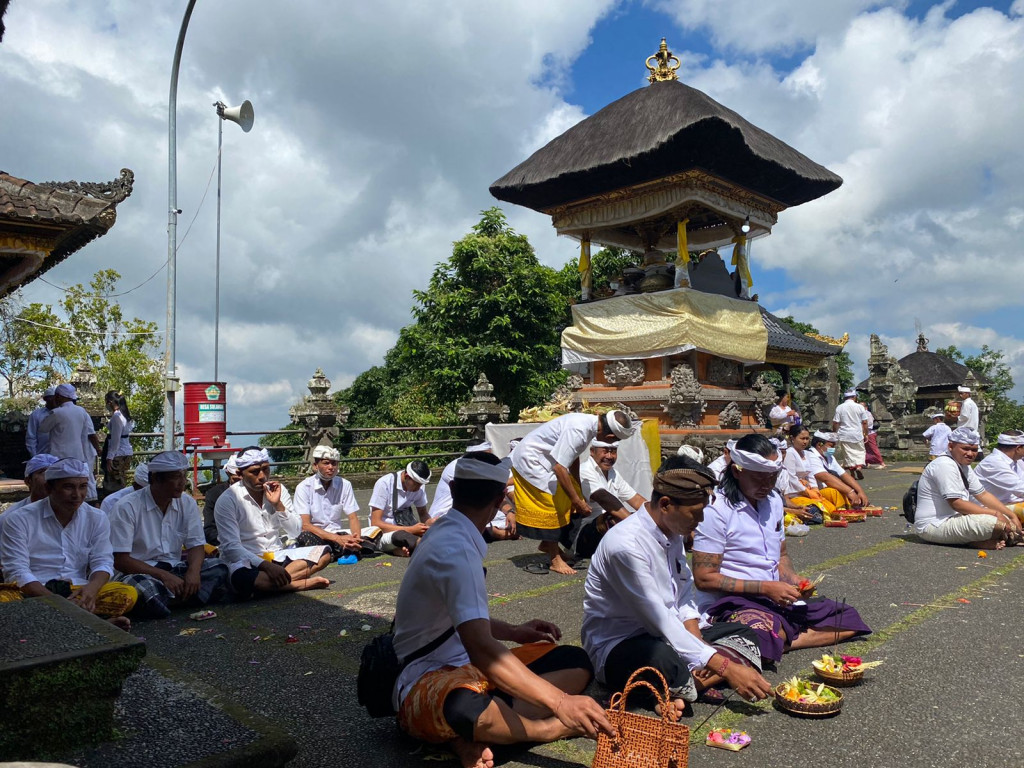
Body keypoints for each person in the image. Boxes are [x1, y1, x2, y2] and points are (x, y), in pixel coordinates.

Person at [392, 452, 614, 768]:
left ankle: (481, 731)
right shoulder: (454, 550)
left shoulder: (447, 532)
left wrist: (513, 632)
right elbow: (482, 649)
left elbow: (462, 622)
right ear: (500, 501)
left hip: (469, 668)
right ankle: (541, 729)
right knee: (464, 708)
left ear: (453, 490)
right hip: (427, 677)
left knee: (575, 660)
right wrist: (560, 704)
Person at [583, 455, 772, 717]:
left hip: (669, 634)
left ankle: (679, 688)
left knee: (746, 633)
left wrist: (700, 646)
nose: (701, 520)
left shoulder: (673, 530)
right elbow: (658, 619)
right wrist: (724, 666)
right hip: (624, 643)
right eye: (696, 513)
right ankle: (681, 683)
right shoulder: (626, 546)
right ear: (666, 504)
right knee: (662, 658)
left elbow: (683, 596)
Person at [691, 435, 871, 665]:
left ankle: (780, 641)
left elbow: (781, 555)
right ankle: (774, 638)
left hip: (774, 598)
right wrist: (766, 587)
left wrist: (793, 579)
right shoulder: (716, 509)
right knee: (762, 631)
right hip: (731, 601)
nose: (766, 485)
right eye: (759, 478)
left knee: (847, 619)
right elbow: (704, 579)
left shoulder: (773, 501)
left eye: (772, 478)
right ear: (737, 471)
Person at [0, 458, 137, 629]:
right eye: (68, 487)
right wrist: (58, 604)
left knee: (126, 593)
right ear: (49, 488)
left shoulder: (96, 517)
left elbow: (103, 562)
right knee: (4, 601)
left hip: (78, 590)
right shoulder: (18, 519)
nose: (77, 495)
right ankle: (92, 624)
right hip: (34, 591)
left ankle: (59, 623)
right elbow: (17, 572)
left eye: (82, 486)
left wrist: (91, 590)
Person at [511, 410, 635, 575]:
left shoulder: (588, 426)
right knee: (552, 502)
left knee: (568, 496)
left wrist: (576, 488)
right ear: (610, 437)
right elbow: (559, 467)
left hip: (545, 461)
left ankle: (548, 544)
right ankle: (555, 560)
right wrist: (577, 500)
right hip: (530, 461)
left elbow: (572, 457)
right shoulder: (579, 430)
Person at [111, 451, 228, 618]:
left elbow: (196, 545)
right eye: (175, 477)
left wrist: (193, 572)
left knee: (219, 567)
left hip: (174, 568)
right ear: (155, 479)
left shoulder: (186, 503)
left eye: (183, 476)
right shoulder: (127, 507)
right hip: (141, 572)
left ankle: (166, 600)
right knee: (141, 587)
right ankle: (183, 598)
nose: (182, 483)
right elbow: (121, 560)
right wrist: (163, 576)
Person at [214, 447, 331, 598]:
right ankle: (296, 584)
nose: (262, 476)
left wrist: (278, 505)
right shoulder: (228, 499)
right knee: (242, 578)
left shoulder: (277, 489)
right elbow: (231, 547)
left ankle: (274, 586)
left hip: (276, 555)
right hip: (247, 561)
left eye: (266, 469)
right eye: (255, 472)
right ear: (239, 474)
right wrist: (265, 566)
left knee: (324, 554)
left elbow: (295, 531)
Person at [913, 428, 1022, 549]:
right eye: (965, 449)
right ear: (951, 446)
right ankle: (973, 542)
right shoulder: (944, 464)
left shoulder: (964, 466)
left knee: (1006, 519)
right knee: (996, 523)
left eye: (974, 450)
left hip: (956, 518)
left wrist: (1011, 516)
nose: (970, 454)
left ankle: (984, 539)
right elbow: (957, 504)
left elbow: (983, 495)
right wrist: (996, 514)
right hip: (933, 525)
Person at [573, 440, 646, 558]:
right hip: (585, 535)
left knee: (642, 515)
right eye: (605, 451)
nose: (609, 456)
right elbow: (604, 499)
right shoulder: (584, 470)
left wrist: (657, 517)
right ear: (592, 451)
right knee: (612, 517)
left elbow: (636, 500)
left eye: (613, 452)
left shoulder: (613, 473)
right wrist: (635, 525)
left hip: (607, 530)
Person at [293, 445, 366, 559]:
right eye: (326, 463)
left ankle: (336, 551)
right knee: (305, 537)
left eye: (334, 463)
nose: (331, 467)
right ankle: (339, 550)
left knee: (374, 533)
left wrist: (356, 539)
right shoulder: (303, 487)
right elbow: (305, 525)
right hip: (317, 535)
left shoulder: (345, 484)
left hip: (338, 533)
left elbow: (353, 517)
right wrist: (337, 539)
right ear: (316, 466)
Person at [39, 383, 101, 501]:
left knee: (61, 487)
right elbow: (90, 432)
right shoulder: (81, 411)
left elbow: (43, 428)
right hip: (78, 456)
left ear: (59, 396)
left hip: (59, 457)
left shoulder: (57, 413)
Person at [0, 454, 60, 575]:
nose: (50, 477)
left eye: (54, 472)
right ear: (28, 481)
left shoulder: (76, 513)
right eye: (43, 472)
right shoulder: (11, 518)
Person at [369, 461, 432, 556]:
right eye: (416, 484)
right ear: (407, 476)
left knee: (435, 532)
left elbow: (423, 514)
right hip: (384, 534)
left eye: (421, 485)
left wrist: (432, 525)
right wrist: (411, 530)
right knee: (400, 535)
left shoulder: (419, 487)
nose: (419, 488)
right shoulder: (384, 484)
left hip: (408, 529)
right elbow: (376, 523)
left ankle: (402, 548)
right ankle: (426, 547)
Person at [804, 430, 869, 510]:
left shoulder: (829, 457)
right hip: (815, 492)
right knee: (836, 492)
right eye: (831, 446)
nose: (833, 449)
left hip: (827, 489)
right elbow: (824, 477)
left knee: (848, 488)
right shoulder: (811, 455)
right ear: (819, 445)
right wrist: (849, 491)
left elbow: (844, 474)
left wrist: (859, 491)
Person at [974, 430, 1024, 525]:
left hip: (1009, 504)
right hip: (990, 510)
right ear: (1018, 448)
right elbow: (1021, 490)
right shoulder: (994, 463)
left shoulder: (1015, 461)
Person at [202, 455, 239, 546]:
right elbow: (209, 529)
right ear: (228, 473)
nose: (240, 484)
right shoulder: (214, 494)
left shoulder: (261, 493)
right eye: (236, 480)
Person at [103, 390, 134, 494]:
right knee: (122, 479)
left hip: (118, 453)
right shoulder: (125, 415)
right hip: (126, 452)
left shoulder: (117, 417)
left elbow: (116, 438)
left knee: (114, 484)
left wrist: (109, 457)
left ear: (111, 402)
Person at [832, 390, 867, 479]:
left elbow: (836, 422)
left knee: (848, 454)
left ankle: (852, 473)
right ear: (854, 397)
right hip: (857, 433)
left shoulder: (840, 407)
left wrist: (834, 433)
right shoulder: (860, 407)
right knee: (860, 452)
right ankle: (859, 467)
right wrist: (866, 434)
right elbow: (865, 422)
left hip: (844, 433)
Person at [25, 387, 56, 456]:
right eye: (51, 398)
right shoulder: (37, 414)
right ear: (45, 399)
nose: (54, 400)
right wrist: (34, 456)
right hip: (42, 455)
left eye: (56, 398)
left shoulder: (63, 413)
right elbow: (31, 436)